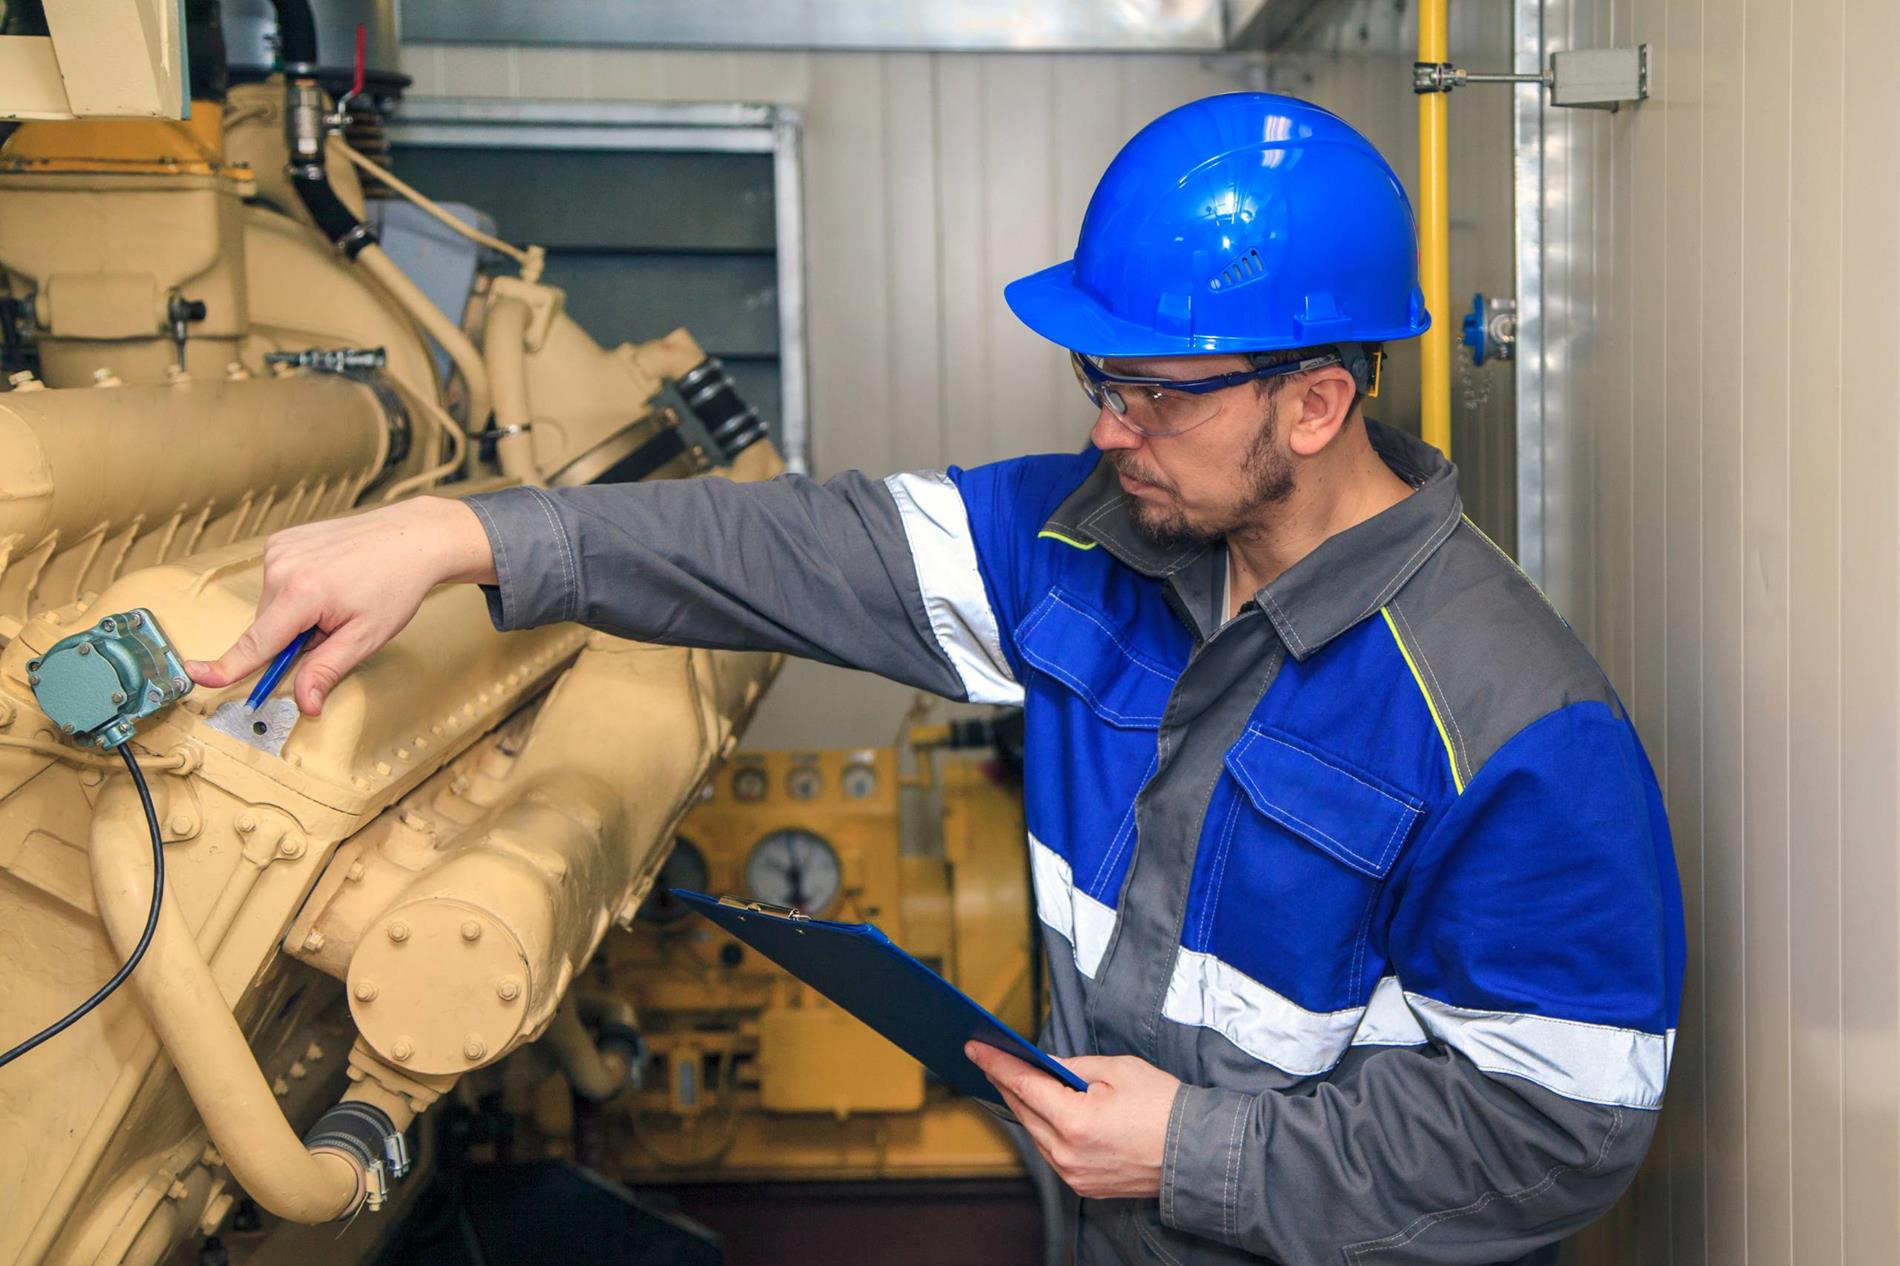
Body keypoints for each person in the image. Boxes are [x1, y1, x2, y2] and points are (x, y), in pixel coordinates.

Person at [189, 94, 1683, 1266]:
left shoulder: (1513, 720)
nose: (1107, 431)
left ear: (1316, 402)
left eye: (1150, 394)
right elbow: (791, 548)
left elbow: (1563, 1131)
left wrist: (1197, 1154)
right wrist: (461, 535)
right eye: (1098, 385)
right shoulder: (1090, 545)